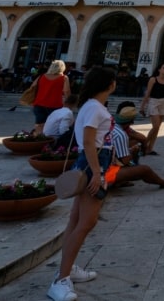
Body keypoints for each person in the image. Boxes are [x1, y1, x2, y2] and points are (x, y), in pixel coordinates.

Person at [48, 66, 116, 301]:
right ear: (110, 84)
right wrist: (97, 173)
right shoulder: (96, 109)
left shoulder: (89, 106)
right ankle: (60, 280)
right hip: (92, 164)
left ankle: (69, 267)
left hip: (89, 162)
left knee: (75, 219)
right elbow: (89, 142)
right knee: (87, 222)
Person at [109, 104, 164, 190]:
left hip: (103, 165)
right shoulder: (121, 134)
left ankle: (121, 180)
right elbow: (125, 161)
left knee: (132, 148)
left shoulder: (112, 126)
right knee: (144, 169)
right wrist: (132, 151)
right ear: (131, 122)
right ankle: (163, 183)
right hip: (106, 172)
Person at [139, 63, 164, 155]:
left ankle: (150, 148)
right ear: (159, 69)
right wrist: (142, 106)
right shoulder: (153, 79)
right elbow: (148, 93)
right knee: (156, 126)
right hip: (153, 102)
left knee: (157, 128)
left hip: (163, 102)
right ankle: (144, 145)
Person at [29, 61, 71, 137]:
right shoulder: (64, 78)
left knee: (39, 125)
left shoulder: (42, 76)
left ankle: (37, 141)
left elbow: (32, 86)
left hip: (39, 103)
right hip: (55, 105)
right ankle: (48, 143)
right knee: (53, 126)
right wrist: (69, 102)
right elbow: (66, 91)